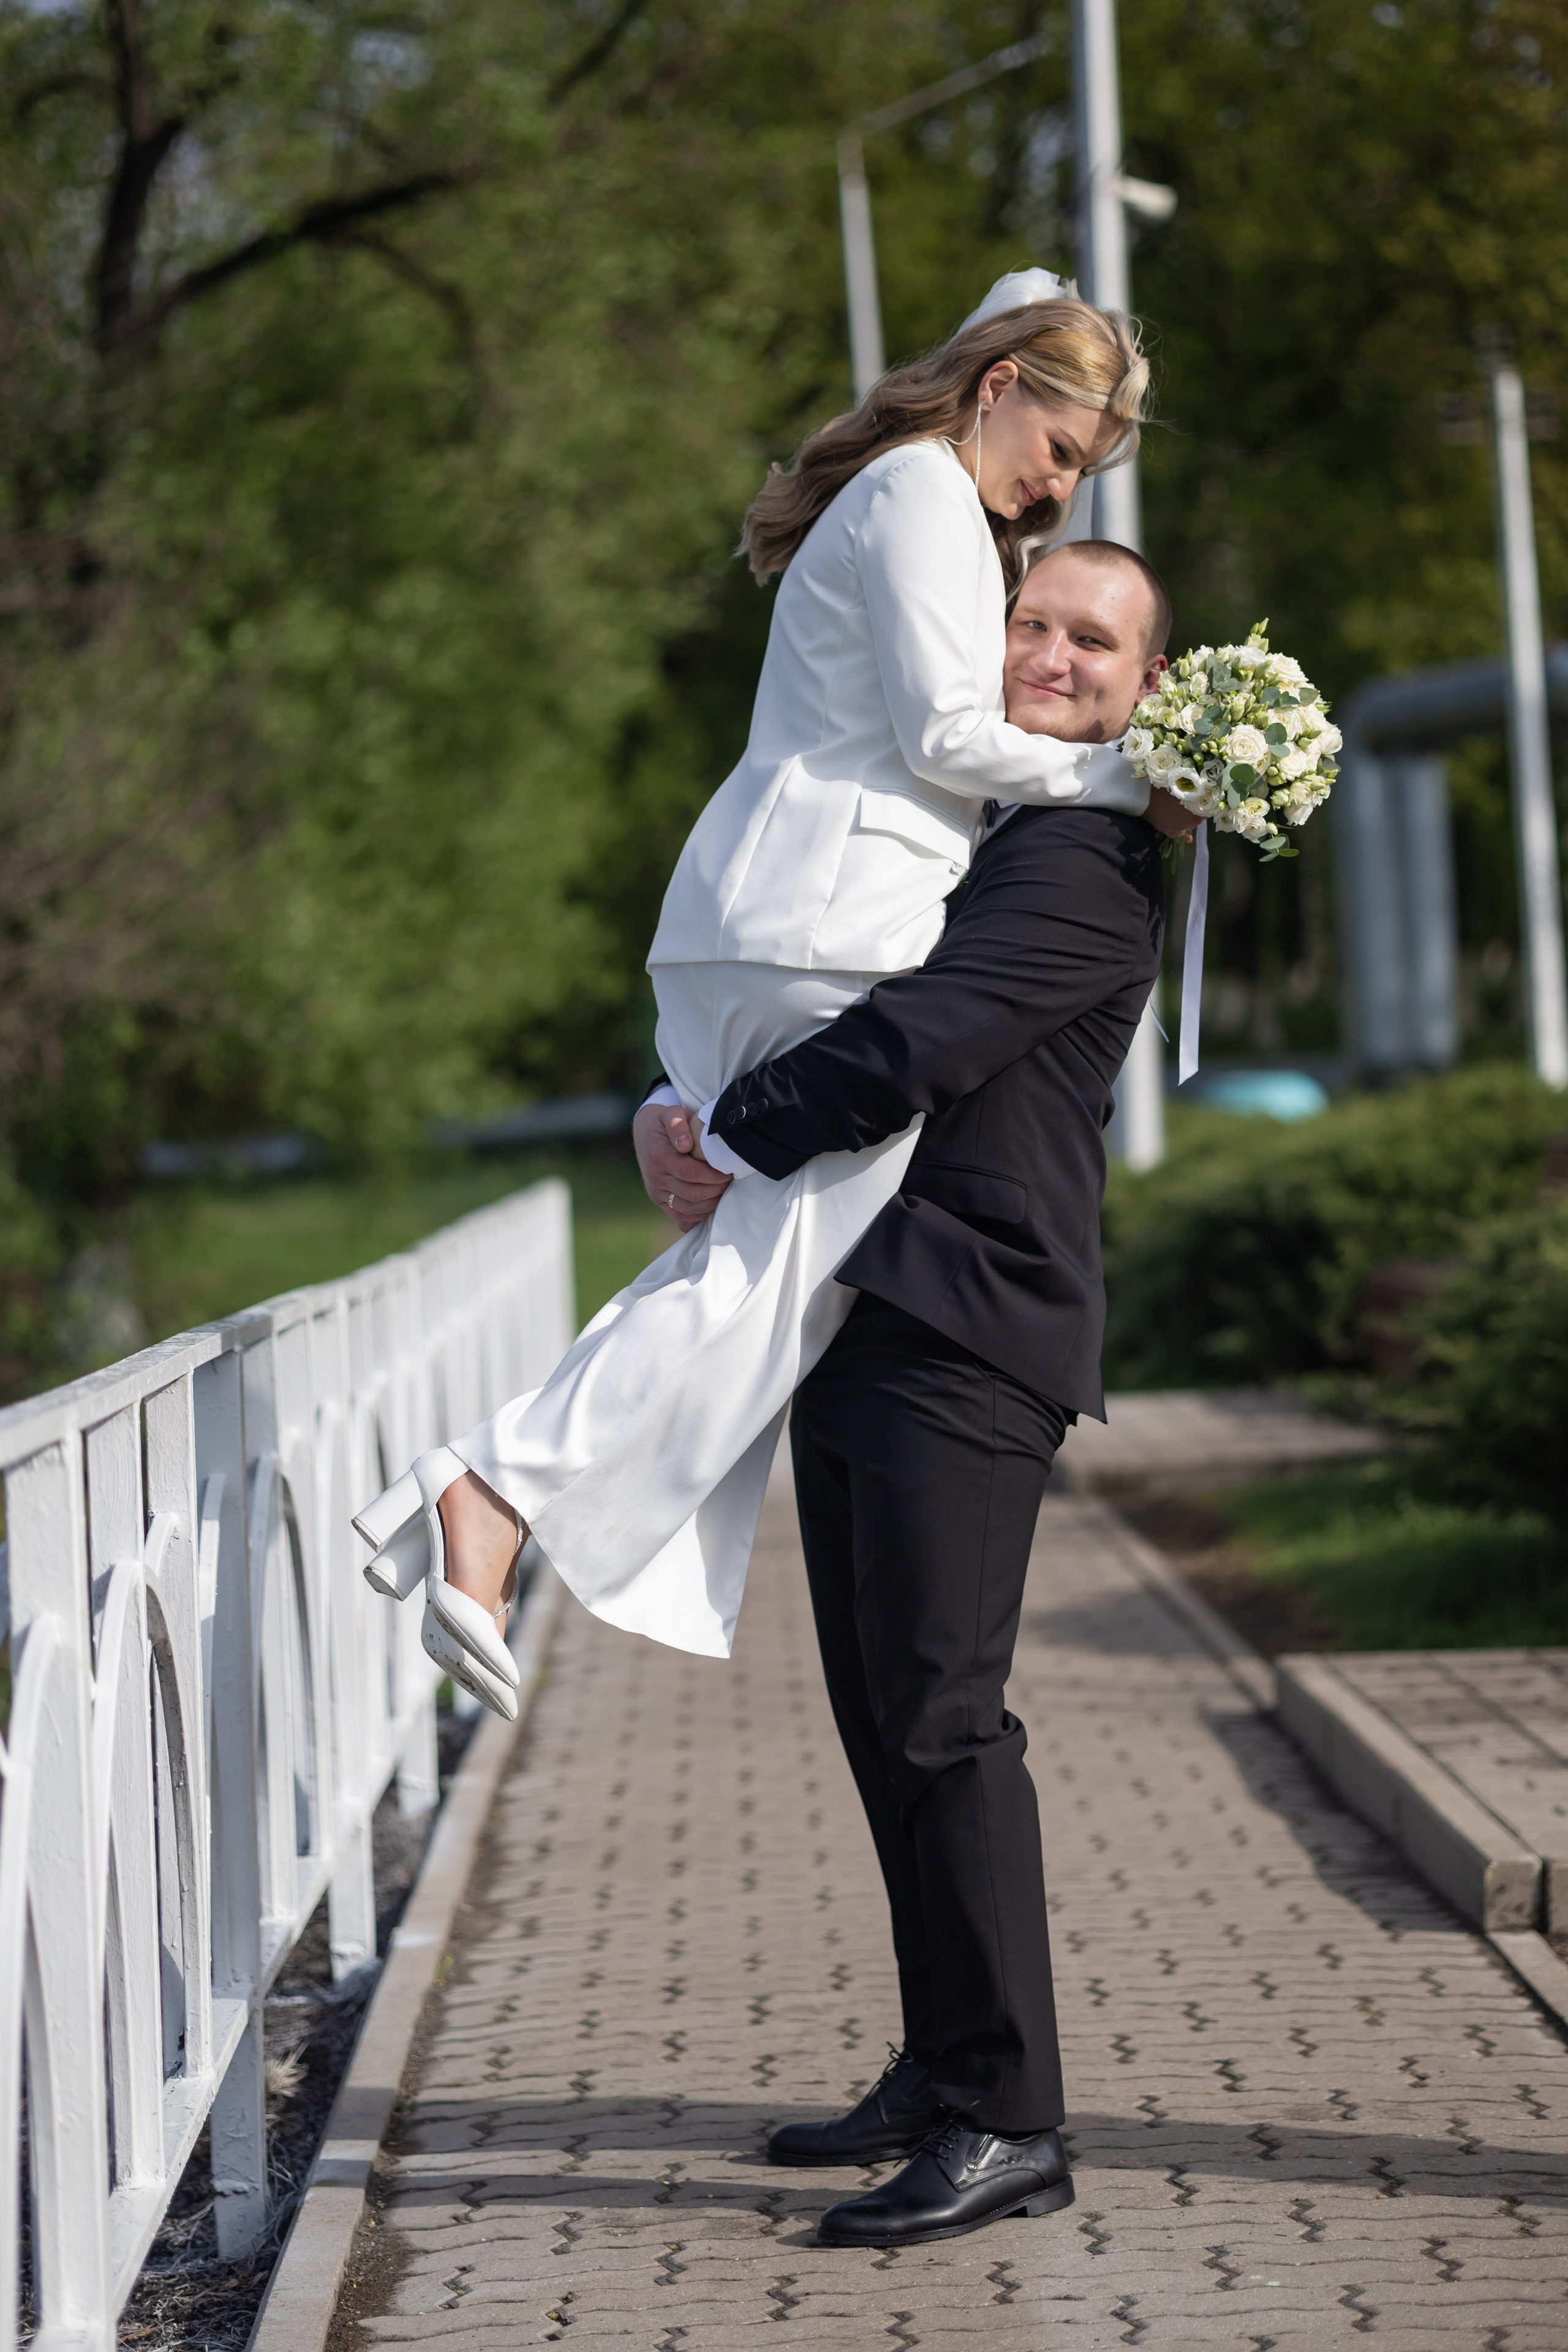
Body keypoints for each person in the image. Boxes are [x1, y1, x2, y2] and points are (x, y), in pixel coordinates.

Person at [353, 271, 1188, 1711]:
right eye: (1059, 449)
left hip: (773, 905)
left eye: (1083, 471)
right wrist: (1152, 780)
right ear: (999, 389)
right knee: (764, 1272)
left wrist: (694, 1109)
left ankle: (488, 1498)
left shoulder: (906, 495)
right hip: (829, 914)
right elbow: (943, 734)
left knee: (752, 1267)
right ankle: (490, 1492)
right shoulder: (924, 493)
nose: (1056, 486)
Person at [635, 537, 1193, 2249]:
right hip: (860, 1308)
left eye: (1090, 640)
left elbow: (914, 1042)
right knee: (886, 1721)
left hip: (969, 1324)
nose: (1048, 654)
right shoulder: (967, 818)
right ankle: (947, 2067)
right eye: (1026, 620)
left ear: (1148, 688)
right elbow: (809, 971)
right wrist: (670, 1108)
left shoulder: (1085, 858)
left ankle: (1012, 2116)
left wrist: (734, 1134)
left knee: (948, 1721)